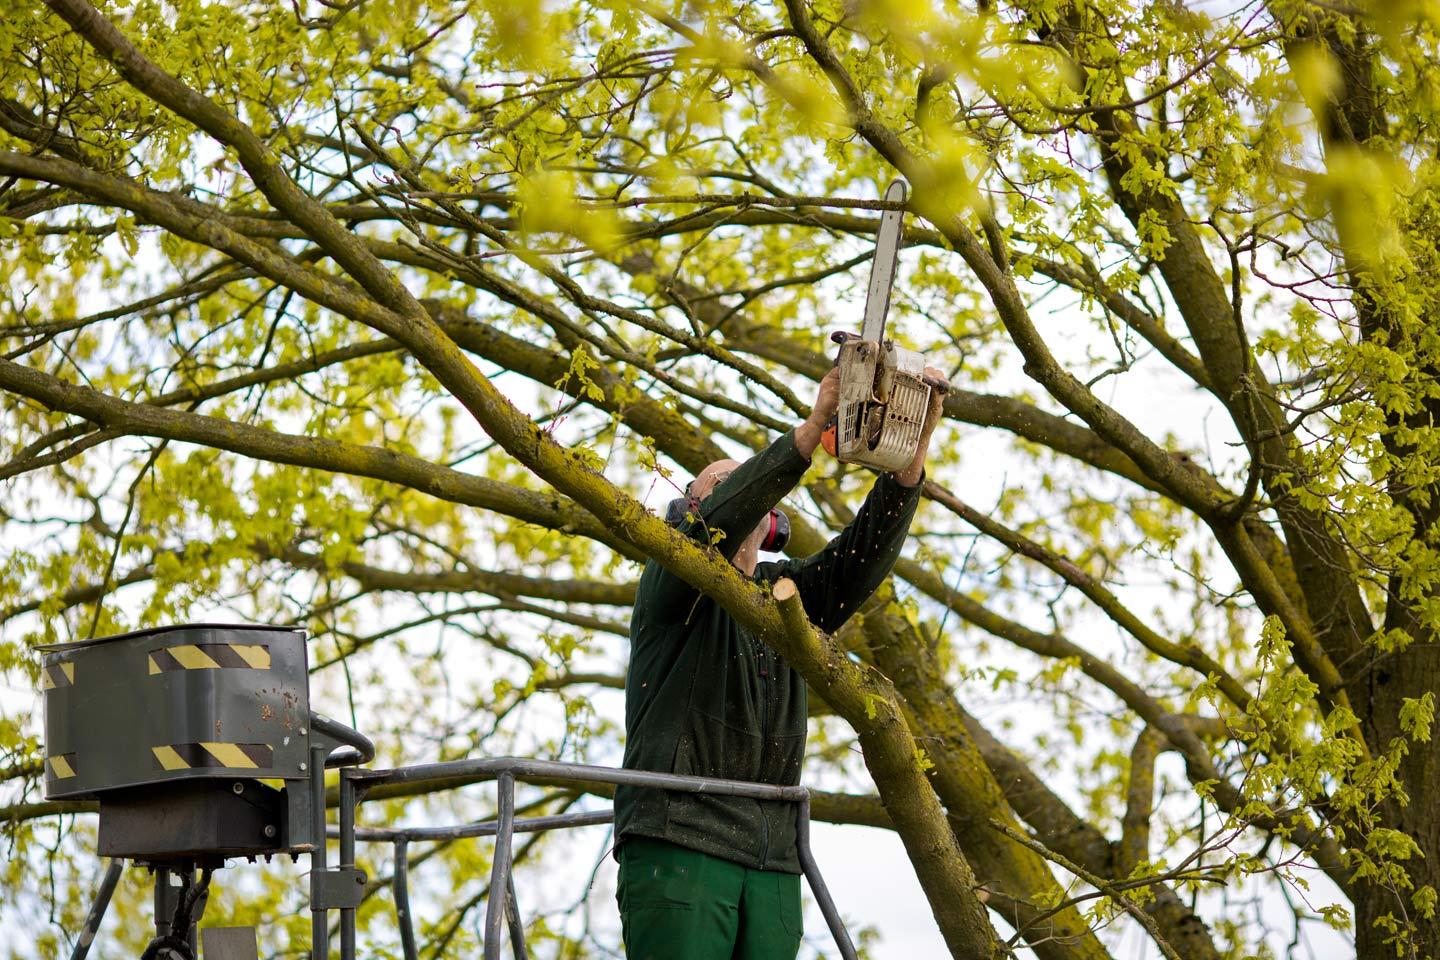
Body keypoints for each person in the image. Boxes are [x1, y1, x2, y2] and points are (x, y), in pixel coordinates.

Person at [613, 365, 946, 959]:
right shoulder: (671, 577)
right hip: (677, 835)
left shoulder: (786, 595)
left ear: (771, 526)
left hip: (772, 853)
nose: (739, 490)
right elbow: (712, 527)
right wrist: (813, 429)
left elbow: (857, 562)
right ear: (692, 508)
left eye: (747, 484)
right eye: (723, 483)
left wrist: (907, 463)